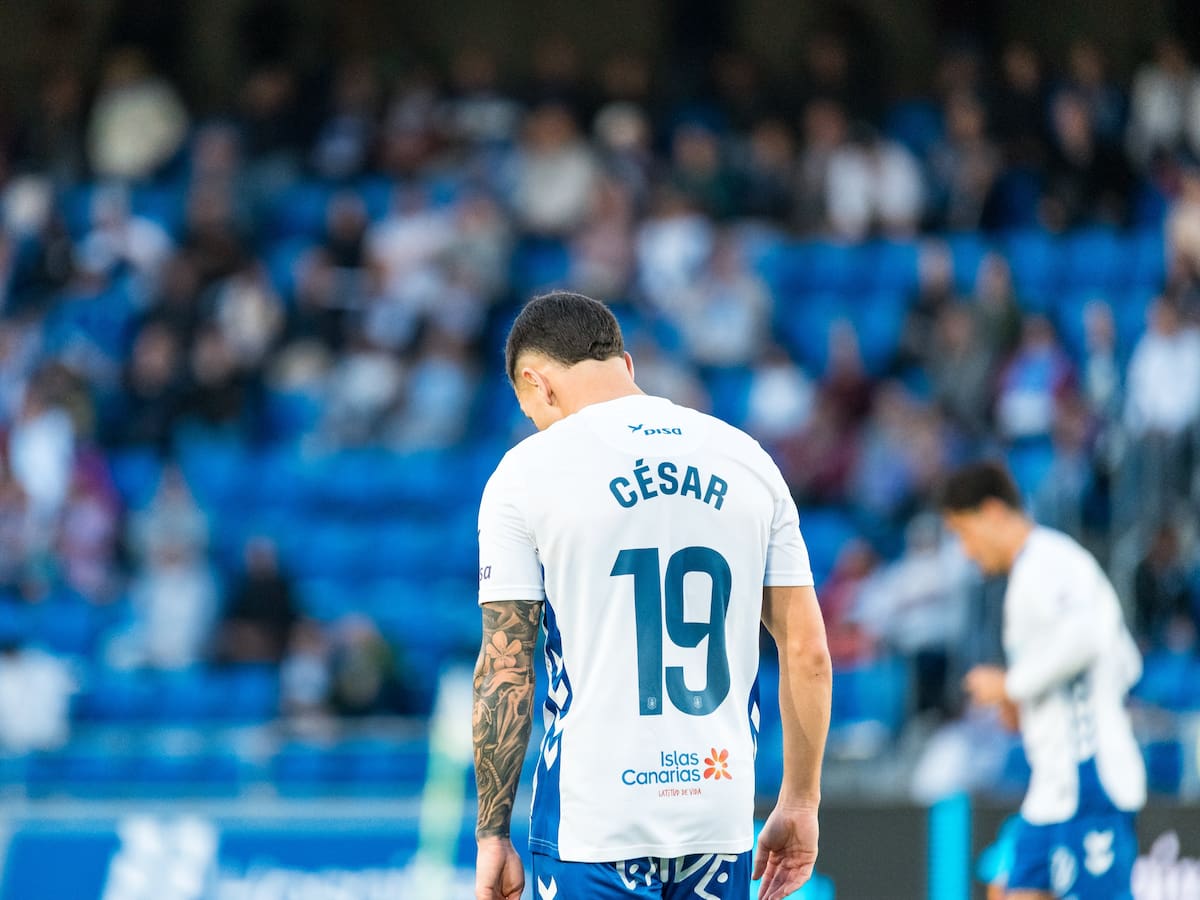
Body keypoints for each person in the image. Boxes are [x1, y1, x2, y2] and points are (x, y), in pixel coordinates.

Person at [473, 292, 831, 900]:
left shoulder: (526, 472)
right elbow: (807, 652)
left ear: (536, 383)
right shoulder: (748, 459)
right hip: (716, 816)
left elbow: (506, 669)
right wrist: (800, 800)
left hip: (593, 821)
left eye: (528, 406)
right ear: (627, 366)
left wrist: (493, 834)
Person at [939, 461, 1145, 900]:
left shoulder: (1051, 561)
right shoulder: (1029, 574)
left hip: (1090, 783)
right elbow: (1122, 661)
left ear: (993, 513)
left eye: (962, 532)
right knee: (1005, 891)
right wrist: (1028, 706)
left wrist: (1012, 685)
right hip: (1052, 788)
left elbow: (1088, 636)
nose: (965, 550)